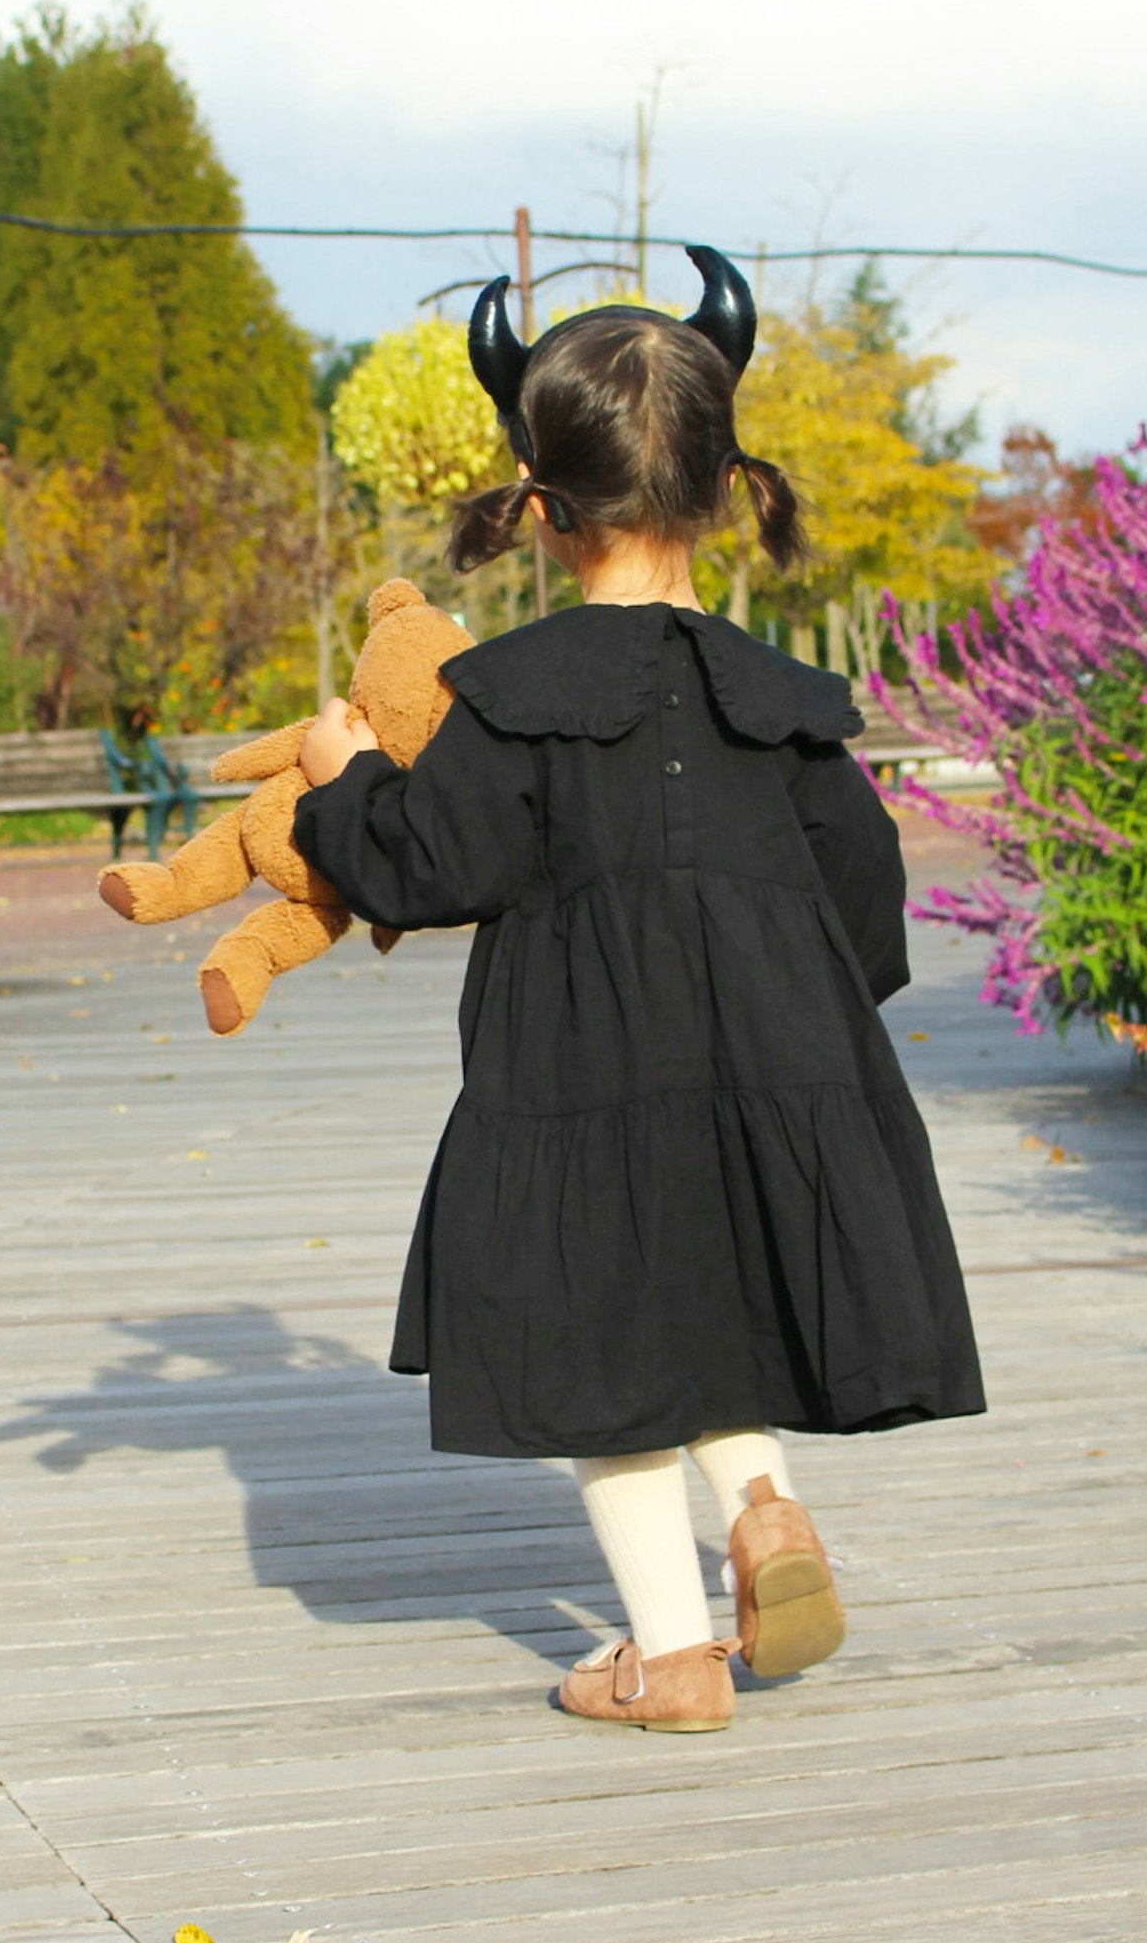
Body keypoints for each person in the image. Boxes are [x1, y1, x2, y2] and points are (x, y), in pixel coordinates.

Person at [294, 248, 982, 1732]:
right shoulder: (783, 703)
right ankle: (767, 1509)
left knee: (602, 1347)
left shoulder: (513, 698)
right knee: (701, 1313)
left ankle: (672, 1662)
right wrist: (799, 1038)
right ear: (732, 489)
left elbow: (419, 868)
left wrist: (336, 785)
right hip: (779, 1063)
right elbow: (867, 897)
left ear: (538, 509)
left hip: (578, 1076)